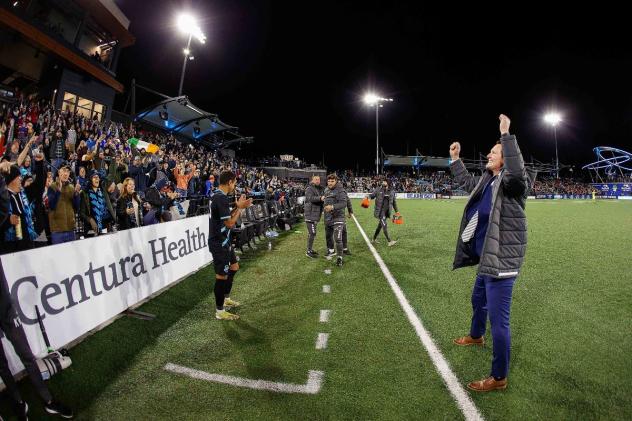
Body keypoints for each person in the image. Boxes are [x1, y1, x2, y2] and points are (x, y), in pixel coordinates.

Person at [449, 114, 535, 392]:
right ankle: (476, 336)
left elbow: (518, 171)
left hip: (501, 263)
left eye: (494, 152)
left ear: (505, 159)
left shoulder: (513, 184)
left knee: (499, 323)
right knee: (478, 299)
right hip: (488, 259)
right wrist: (455, 160)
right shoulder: (488, 180)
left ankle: (498, 377)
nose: (488, 154)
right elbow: (465, 183)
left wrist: (506, 137)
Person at [0, 262, 73, 420]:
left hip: (5, 309)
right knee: (1, 365)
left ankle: (49, 401)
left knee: (27, 356)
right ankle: (19, 403)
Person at [208, 170, 252, 321]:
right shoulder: (220, 198)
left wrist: (237, 206)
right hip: (219, 242)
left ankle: (225, 299)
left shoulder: (217, 195)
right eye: (234, 183)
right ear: (229, 182)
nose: (235, 186)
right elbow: (230, 223)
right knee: (221, 276)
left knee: (234, 267)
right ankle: (220, 311)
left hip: (224, 240)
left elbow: (225, 216)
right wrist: (240, 208)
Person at [48, 165, 81, 244]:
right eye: (64, 170)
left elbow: (76, 207)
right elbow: (51, 205)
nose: (66, 173)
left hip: (70, 229)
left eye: (68, 171)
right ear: (59, 172)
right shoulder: (52, 187)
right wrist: (58, 191)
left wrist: (76, 194)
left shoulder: (72, 187)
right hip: (57, 230)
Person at [322, 174, 348, 267]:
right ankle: (331, 250)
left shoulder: (340, 190)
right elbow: (325, 202)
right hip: (328, 217)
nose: (330, 183)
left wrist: (332, 207)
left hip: (338, 217)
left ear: (336, 181)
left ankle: (340, 257)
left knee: (337, 238)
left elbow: (344, 203)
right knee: (328, 236)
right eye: (329, 181)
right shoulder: (326, 190)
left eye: (332, 181)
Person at [79, 171, 115, 236]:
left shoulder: (103, 191)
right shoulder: (85, 193)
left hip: (105, 227)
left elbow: (111, 176)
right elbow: (81, 213)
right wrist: (90, 220)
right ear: (90, 180)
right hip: (91, 230)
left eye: (98, 177)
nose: (97, 179)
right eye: (94, 177)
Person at [368, 179, 399, 246]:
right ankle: (389, 241)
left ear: (388, 183)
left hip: (387, 212)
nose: (383, 182)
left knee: (380, 226)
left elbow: (394, 202)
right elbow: (372, 195)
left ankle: (373, 239)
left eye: (384, 181)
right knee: (384, 225)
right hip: (380, 211)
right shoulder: (378, 189)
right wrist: (368, 197)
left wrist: (397, 212)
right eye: (383, 181)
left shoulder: (392, 191)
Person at [304, 175, 324, 258]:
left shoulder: (319, 189)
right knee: (312, 233)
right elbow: (310, 198)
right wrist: (320, 198)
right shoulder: (309, 188)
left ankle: (310, 249)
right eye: (316, 179)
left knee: (312, 233)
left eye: (318, 179)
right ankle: (308, 251)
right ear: (312, 180)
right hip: (310, 214)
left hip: (314, 214)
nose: (317, 181)